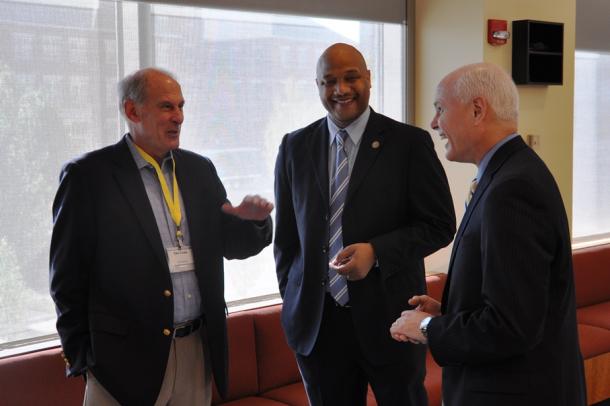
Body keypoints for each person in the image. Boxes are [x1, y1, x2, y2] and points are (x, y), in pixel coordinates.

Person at [49, 67, 273, 405]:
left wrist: (255, 223)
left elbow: (230, 244)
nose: (179, 117)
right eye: (167, 107)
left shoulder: (199, 170)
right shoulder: (89, 177)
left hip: (197, 349)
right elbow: (66, 277)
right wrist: (82, 358)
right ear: (132, 111)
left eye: (182, 106)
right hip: (123, 361)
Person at [390, 62, 587, 406]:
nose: (434, 123)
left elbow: (511, 327)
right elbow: (513, 297)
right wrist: (450, 310)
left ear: (478, 110)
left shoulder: (512, 189)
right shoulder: (510, 173)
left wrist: (426, 329)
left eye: (439, 109)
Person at [273, 43, 456, 405]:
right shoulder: (295, 146)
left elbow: (439, 224)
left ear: (368, 78)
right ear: (318, 86)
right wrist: (295, 298)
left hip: (392, 322)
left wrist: (377, 252)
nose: (340, 89)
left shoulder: (408, 144)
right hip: (318, 327)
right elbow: (287, 241)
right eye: (329, 81)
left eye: (350, 77)